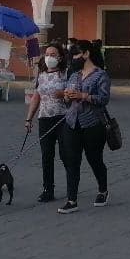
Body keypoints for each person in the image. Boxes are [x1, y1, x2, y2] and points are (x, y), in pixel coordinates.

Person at [58, 40, 111, 214]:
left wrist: (83, 95)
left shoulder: (100, 75)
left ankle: (103, 190)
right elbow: (67, 101)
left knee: (94, 159)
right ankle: (72, 200)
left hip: (93, 123)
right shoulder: (73, 75)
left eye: (76, 54)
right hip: (72, 122)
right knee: (71, 161)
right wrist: (66, 96)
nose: (73, 59)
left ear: (86, 54)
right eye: (71, 55)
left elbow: (103, 99)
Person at [24, 44, 68, 203]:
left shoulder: (66, 74)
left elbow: (72, 93)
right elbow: (36, 97)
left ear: (60, 57)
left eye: (53, 54)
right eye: (47, 54)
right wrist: (29, 119)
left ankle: (72, 187)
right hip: (44, 119)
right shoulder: (41, 74)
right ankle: (48, 189)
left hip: (62, 118)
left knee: (66, 155)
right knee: (46, 156)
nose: (49, 57)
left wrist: (63, 93)